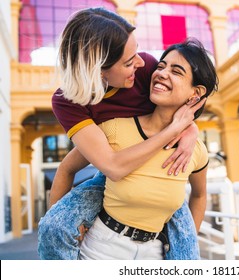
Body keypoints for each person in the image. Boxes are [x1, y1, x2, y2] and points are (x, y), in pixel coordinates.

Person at [37, 7, 209, 260]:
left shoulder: (145, 67)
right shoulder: (68, 101)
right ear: (99, 69)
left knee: (186, 247)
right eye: (129, 61)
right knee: (53, 227)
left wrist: (190, 127)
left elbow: (176, 100)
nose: (141, 63)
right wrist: (68, 221)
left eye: (136, 51)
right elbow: (112, 168)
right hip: (111, 171)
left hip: (157, 183)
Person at [78, 37, 217, 259]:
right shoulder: (114, 128)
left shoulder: (195, 150)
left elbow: (199, 195)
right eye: (161, 66)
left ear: (196, 93)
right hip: (102, 249)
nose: (162, 73)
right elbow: (66, 169)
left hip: (156, 252)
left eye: (177, 71)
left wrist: (187, 240)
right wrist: (67, 225)